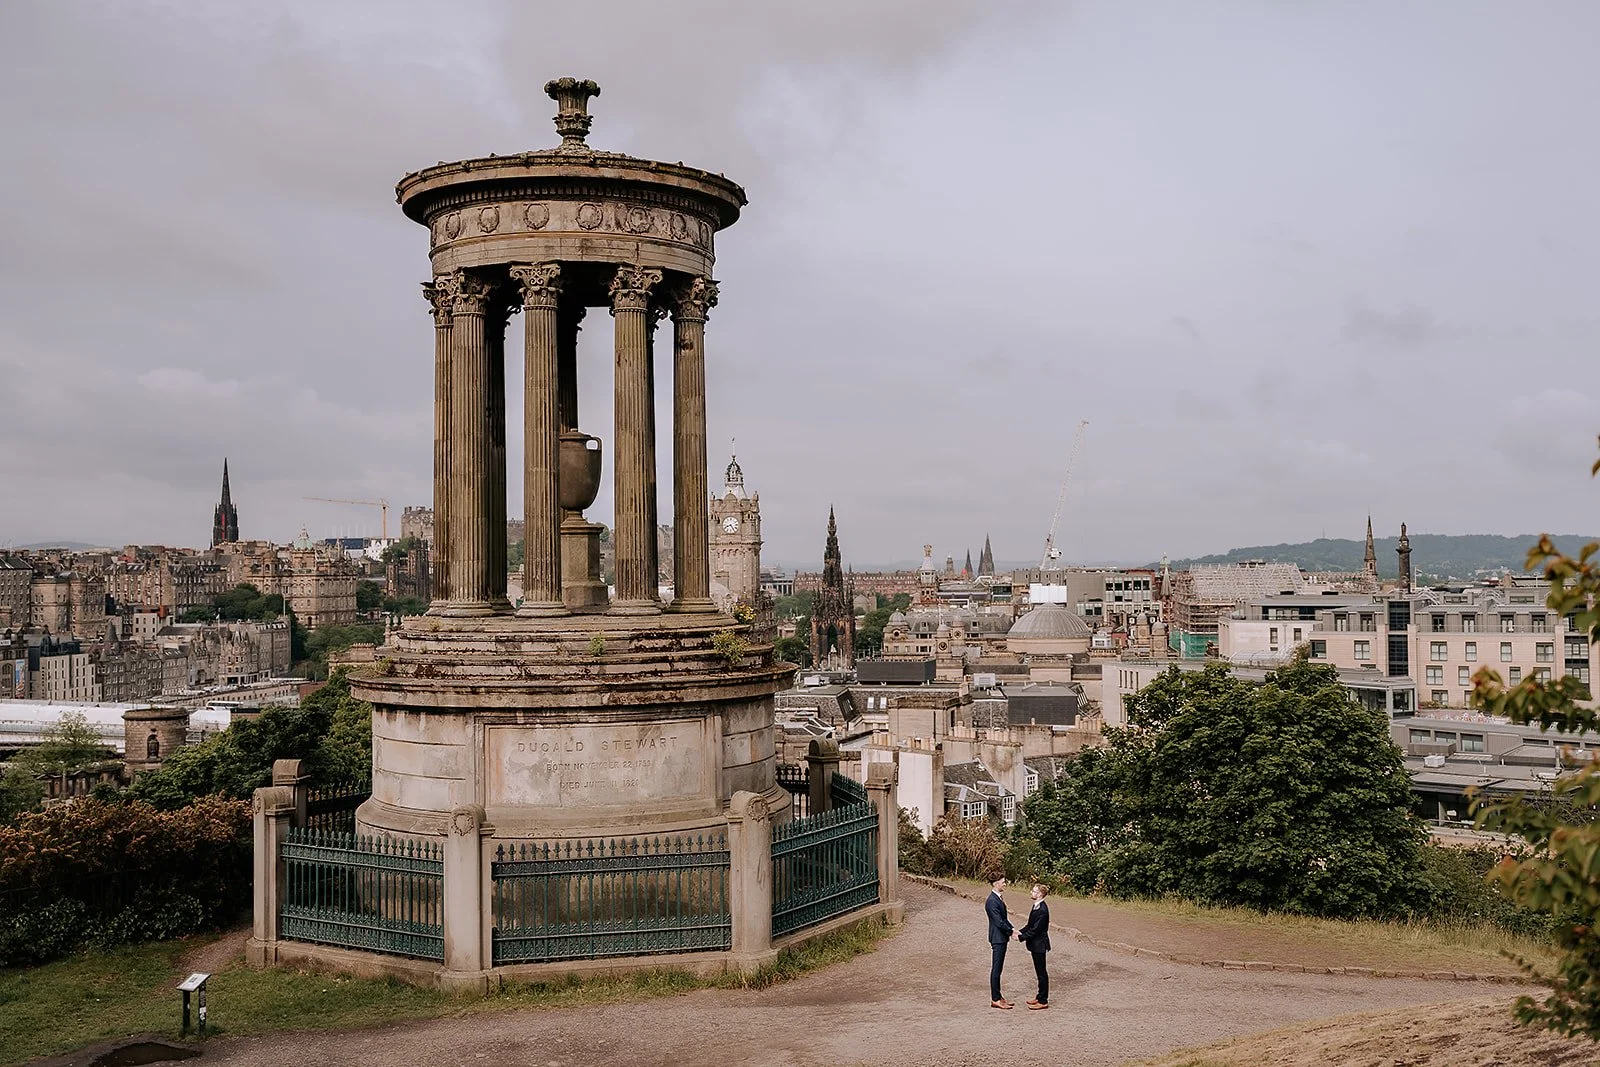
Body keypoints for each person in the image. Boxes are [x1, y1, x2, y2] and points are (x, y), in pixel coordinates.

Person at [1015, 883, 1052, 1009]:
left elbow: (1036, 930)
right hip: (1035, 944)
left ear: (1040, 894)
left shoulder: (1042, 910)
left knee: (1041, 973)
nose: (1031, 892)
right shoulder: (1036, 906)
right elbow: (1030, 925)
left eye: (1034, 891)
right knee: (1039, 972)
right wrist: (1019, 931)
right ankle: (1039, 996)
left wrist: (1021, 937)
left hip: (1039, 944)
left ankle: (1043, 1000)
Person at [985, 875, 1014, 1008]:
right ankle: (995, 998)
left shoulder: (997, 898)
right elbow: (998, 921)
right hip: (997, 938)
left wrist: (1013, 929)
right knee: (996, 968)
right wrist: (1011, 932)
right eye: (1003, 882)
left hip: (1001, 937)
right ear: (996, 884)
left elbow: (1004, 918)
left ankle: (998, 996)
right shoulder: (992, 901)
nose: (1005, 884)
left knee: (999, 968)